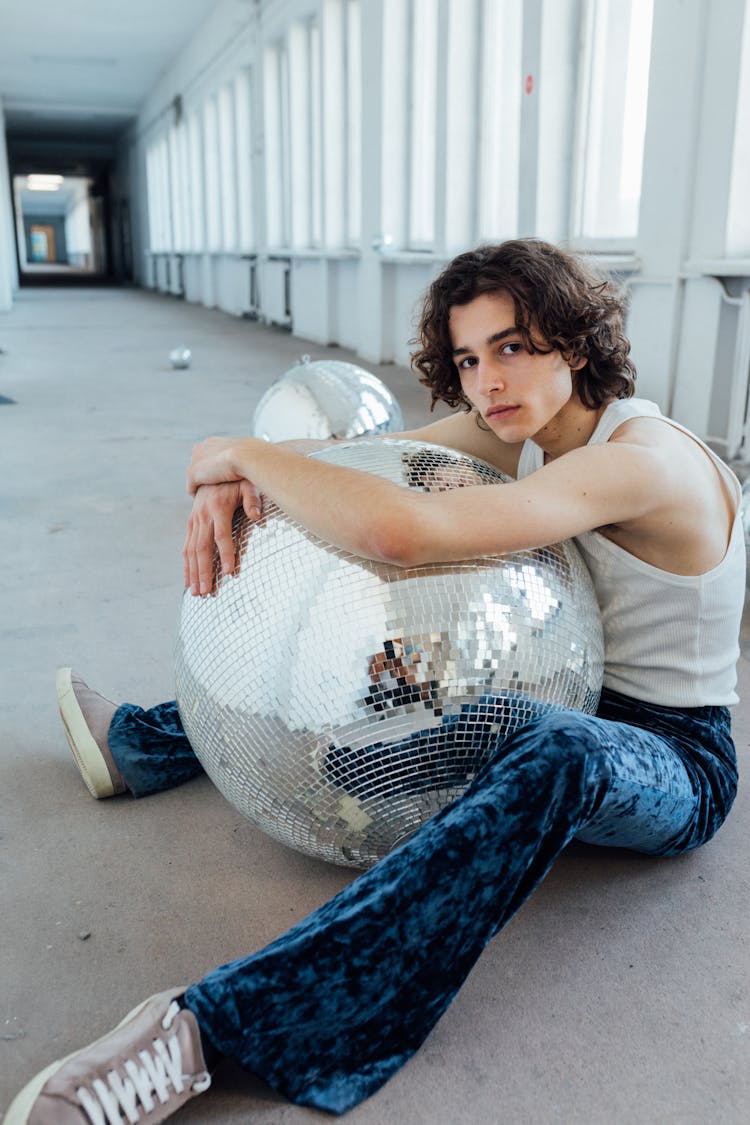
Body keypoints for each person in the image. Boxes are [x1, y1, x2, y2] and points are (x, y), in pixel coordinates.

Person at [6, 240, 743, 1124]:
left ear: (576, 343)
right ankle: (146, 742)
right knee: (395, 661)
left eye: (512, 347)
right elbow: (352, 464)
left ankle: (216, 1032)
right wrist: (229, 466)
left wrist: (239, 449)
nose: (487, 382)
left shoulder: (640, 460)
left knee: (553, 748)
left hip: (666, 751)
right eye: (469, 359)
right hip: (558, 684)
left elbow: (400, 532)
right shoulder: (521, 426)